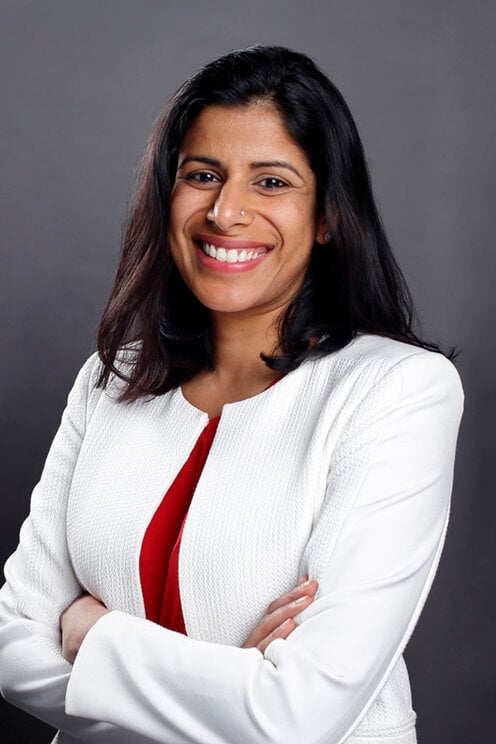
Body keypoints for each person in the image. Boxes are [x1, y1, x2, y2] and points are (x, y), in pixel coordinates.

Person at [0, 45, 463, 744]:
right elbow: (12, 652)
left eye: (271, 182)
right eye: (202, 175)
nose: (226, 211)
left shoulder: (398, 391)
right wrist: (228, 681)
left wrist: (95, 636)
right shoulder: (110, 378)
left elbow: (297, 717)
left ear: (328, 215)